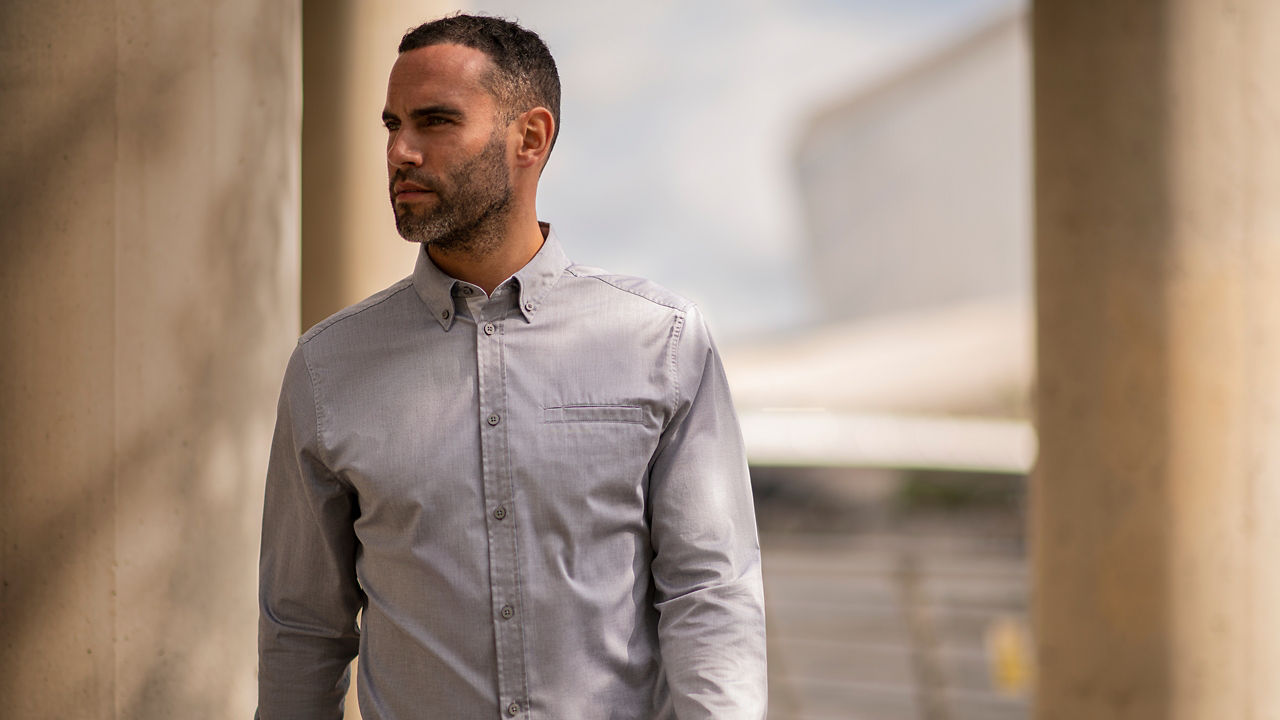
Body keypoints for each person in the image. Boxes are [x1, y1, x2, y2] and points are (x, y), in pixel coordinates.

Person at [257, 13, 766, 720]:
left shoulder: (662, 341)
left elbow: (710, 594)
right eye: (392, 124)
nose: (401, 151)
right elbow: (303, 628)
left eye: (435, 122)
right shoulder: (328, 366)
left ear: (529, 138)